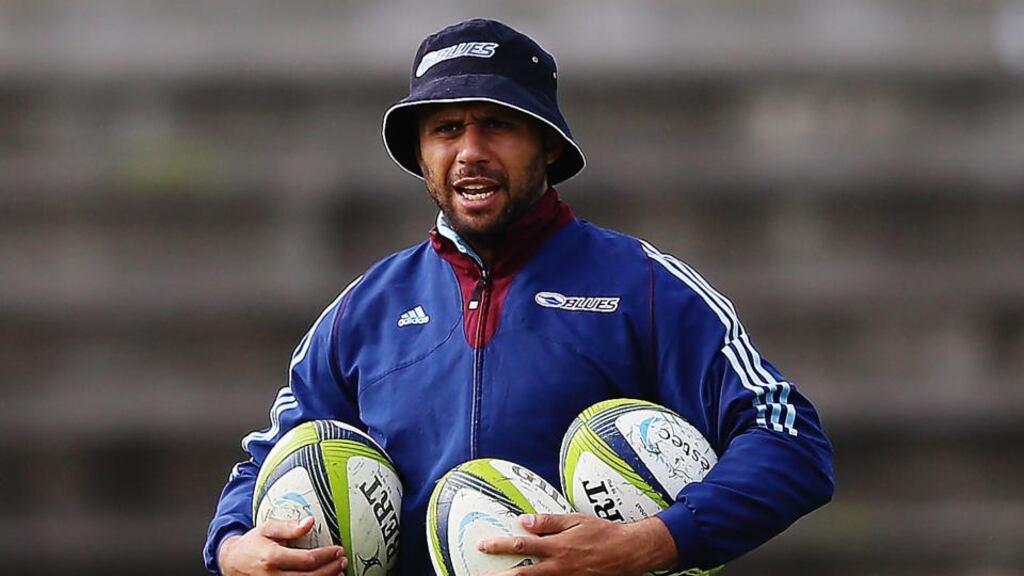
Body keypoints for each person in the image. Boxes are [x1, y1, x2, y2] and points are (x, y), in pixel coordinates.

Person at [204, 18, 835, 576]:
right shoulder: (361, 312)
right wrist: (234, 547)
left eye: (498, 125)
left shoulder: (644, 286)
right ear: (421, 153)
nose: (471, 152)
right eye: (447, 129)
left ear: (549, 146)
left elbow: (789, 441)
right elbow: (270, 457)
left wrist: (652, 543)